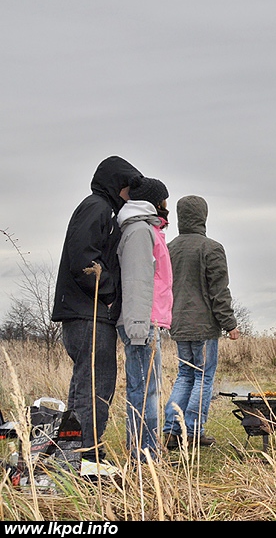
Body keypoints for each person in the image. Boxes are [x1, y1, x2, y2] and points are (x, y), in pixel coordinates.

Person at [52, 156, 142, 477]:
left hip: (83, 314)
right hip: (88, 315)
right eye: (130, 189)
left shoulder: (98, 208)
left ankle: (72, 456)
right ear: (119, 186)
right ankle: (84, 456)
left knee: (86, 386)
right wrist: (109, 295)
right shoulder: (97, 209)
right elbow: (83, 260)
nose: (132, 196)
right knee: (95, 385)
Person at [163, 195, 240, 449]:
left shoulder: (169, 247)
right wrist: (229, 323)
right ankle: (194, 431)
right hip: (204, 326)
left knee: (185, 375)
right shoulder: (211, 248)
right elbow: (219, 290)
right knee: (203, 377)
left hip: (178, 323)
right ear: (203, 216)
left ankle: (172, 430)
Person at [116, 177, 172, 462]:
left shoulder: (147, 228)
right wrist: (139, 327)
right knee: (145, 391)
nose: (167, 206)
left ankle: (148, 450)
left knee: (149, 389)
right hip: (141, 322)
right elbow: (137, 280)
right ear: (153, 201)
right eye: (164, 200)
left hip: (148, 320)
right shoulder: (140, 231)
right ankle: (144, 455)